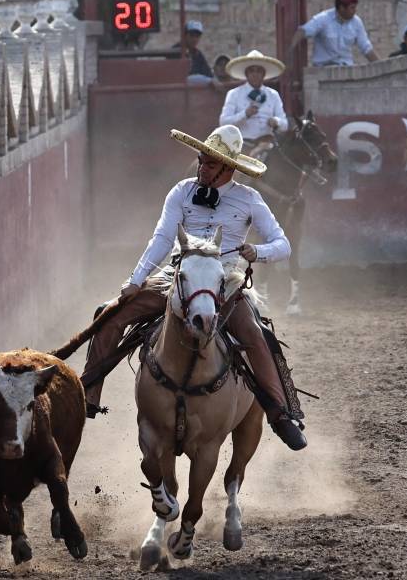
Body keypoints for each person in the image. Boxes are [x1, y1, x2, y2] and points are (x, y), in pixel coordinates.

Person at [80, 125, 307, 450]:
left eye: (210, 164)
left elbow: (282, 244)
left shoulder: (249, 200)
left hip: (224, 285)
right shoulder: (181, 191)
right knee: (107, 313)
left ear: (229, 168)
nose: (202, 168)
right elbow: (160, 238)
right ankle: (88, 393)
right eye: (201, 161)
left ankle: (279, 413)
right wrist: (134, 281)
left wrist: (258, 252)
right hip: (176, 279)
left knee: (256, 335)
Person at [219, 50, 288, 154]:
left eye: (259, 71)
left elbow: (285, 124)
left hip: (268, 145)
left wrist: (276, 121)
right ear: (246, 74)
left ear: (264, 74)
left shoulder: (273, 95)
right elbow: (223, 122)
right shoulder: (234, 94)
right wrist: (245, 114)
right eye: (251, 71)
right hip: (242, 145)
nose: (255, 74)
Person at [288, 0, 379, 67]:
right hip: (323, 70)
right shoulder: (323, 19)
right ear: (342, 8)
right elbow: (303, 31)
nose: (355, 11)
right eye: (352, 8)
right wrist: (290, 50)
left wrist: (380, 65)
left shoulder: (356, 22)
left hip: (346, 69)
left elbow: (366, 48)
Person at [174, 20, 217, 88]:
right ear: (185, 35)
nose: (194, 39)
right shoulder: (175, 52)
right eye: (191, 35)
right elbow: (182, 79)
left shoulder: (198, 54)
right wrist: (208, 81)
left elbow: (208, 74)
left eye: (197, 36)